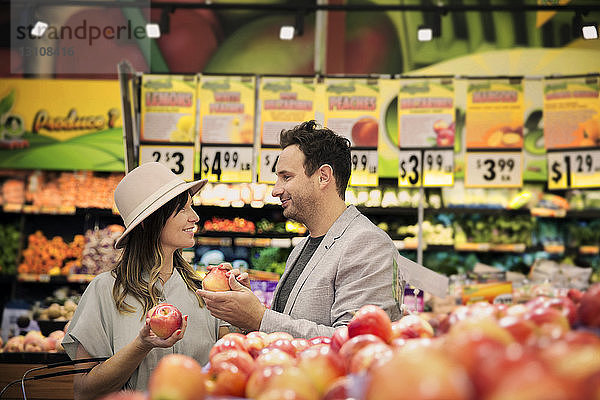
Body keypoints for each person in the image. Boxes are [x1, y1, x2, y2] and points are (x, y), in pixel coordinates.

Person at [199, 120, 401, 339]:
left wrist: (260, 319)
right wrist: (248, 310)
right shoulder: (303, 247)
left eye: (286, 177)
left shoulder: (367, 244)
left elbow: (356, 341)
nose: (276, 190)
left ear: (323, 176)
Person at [62, 162, 223, 398]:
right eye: (183, 210)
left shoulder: (203, 291)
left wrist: (239, 305)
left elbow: (228, 369)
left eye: (192, 207)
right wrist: (142, 344)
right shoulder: (105, 291)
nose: (195, 217)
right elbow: (84, 390)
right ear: (149, 221)